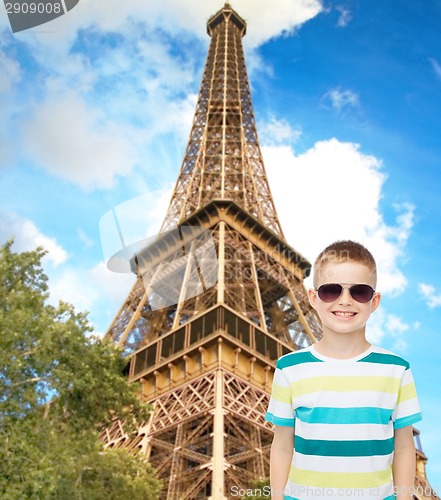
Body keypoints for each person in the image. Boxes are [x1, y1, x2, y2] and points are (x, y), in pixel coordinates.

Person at [265, 240, 422, 500]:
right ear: (313, 298)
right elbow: (282, 445)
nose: (345, 301)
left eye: (359, 292)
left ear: (374, 301)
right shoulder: (289, 368)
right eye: (331, 291)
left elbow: (404, 446)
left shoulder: (397, 369)